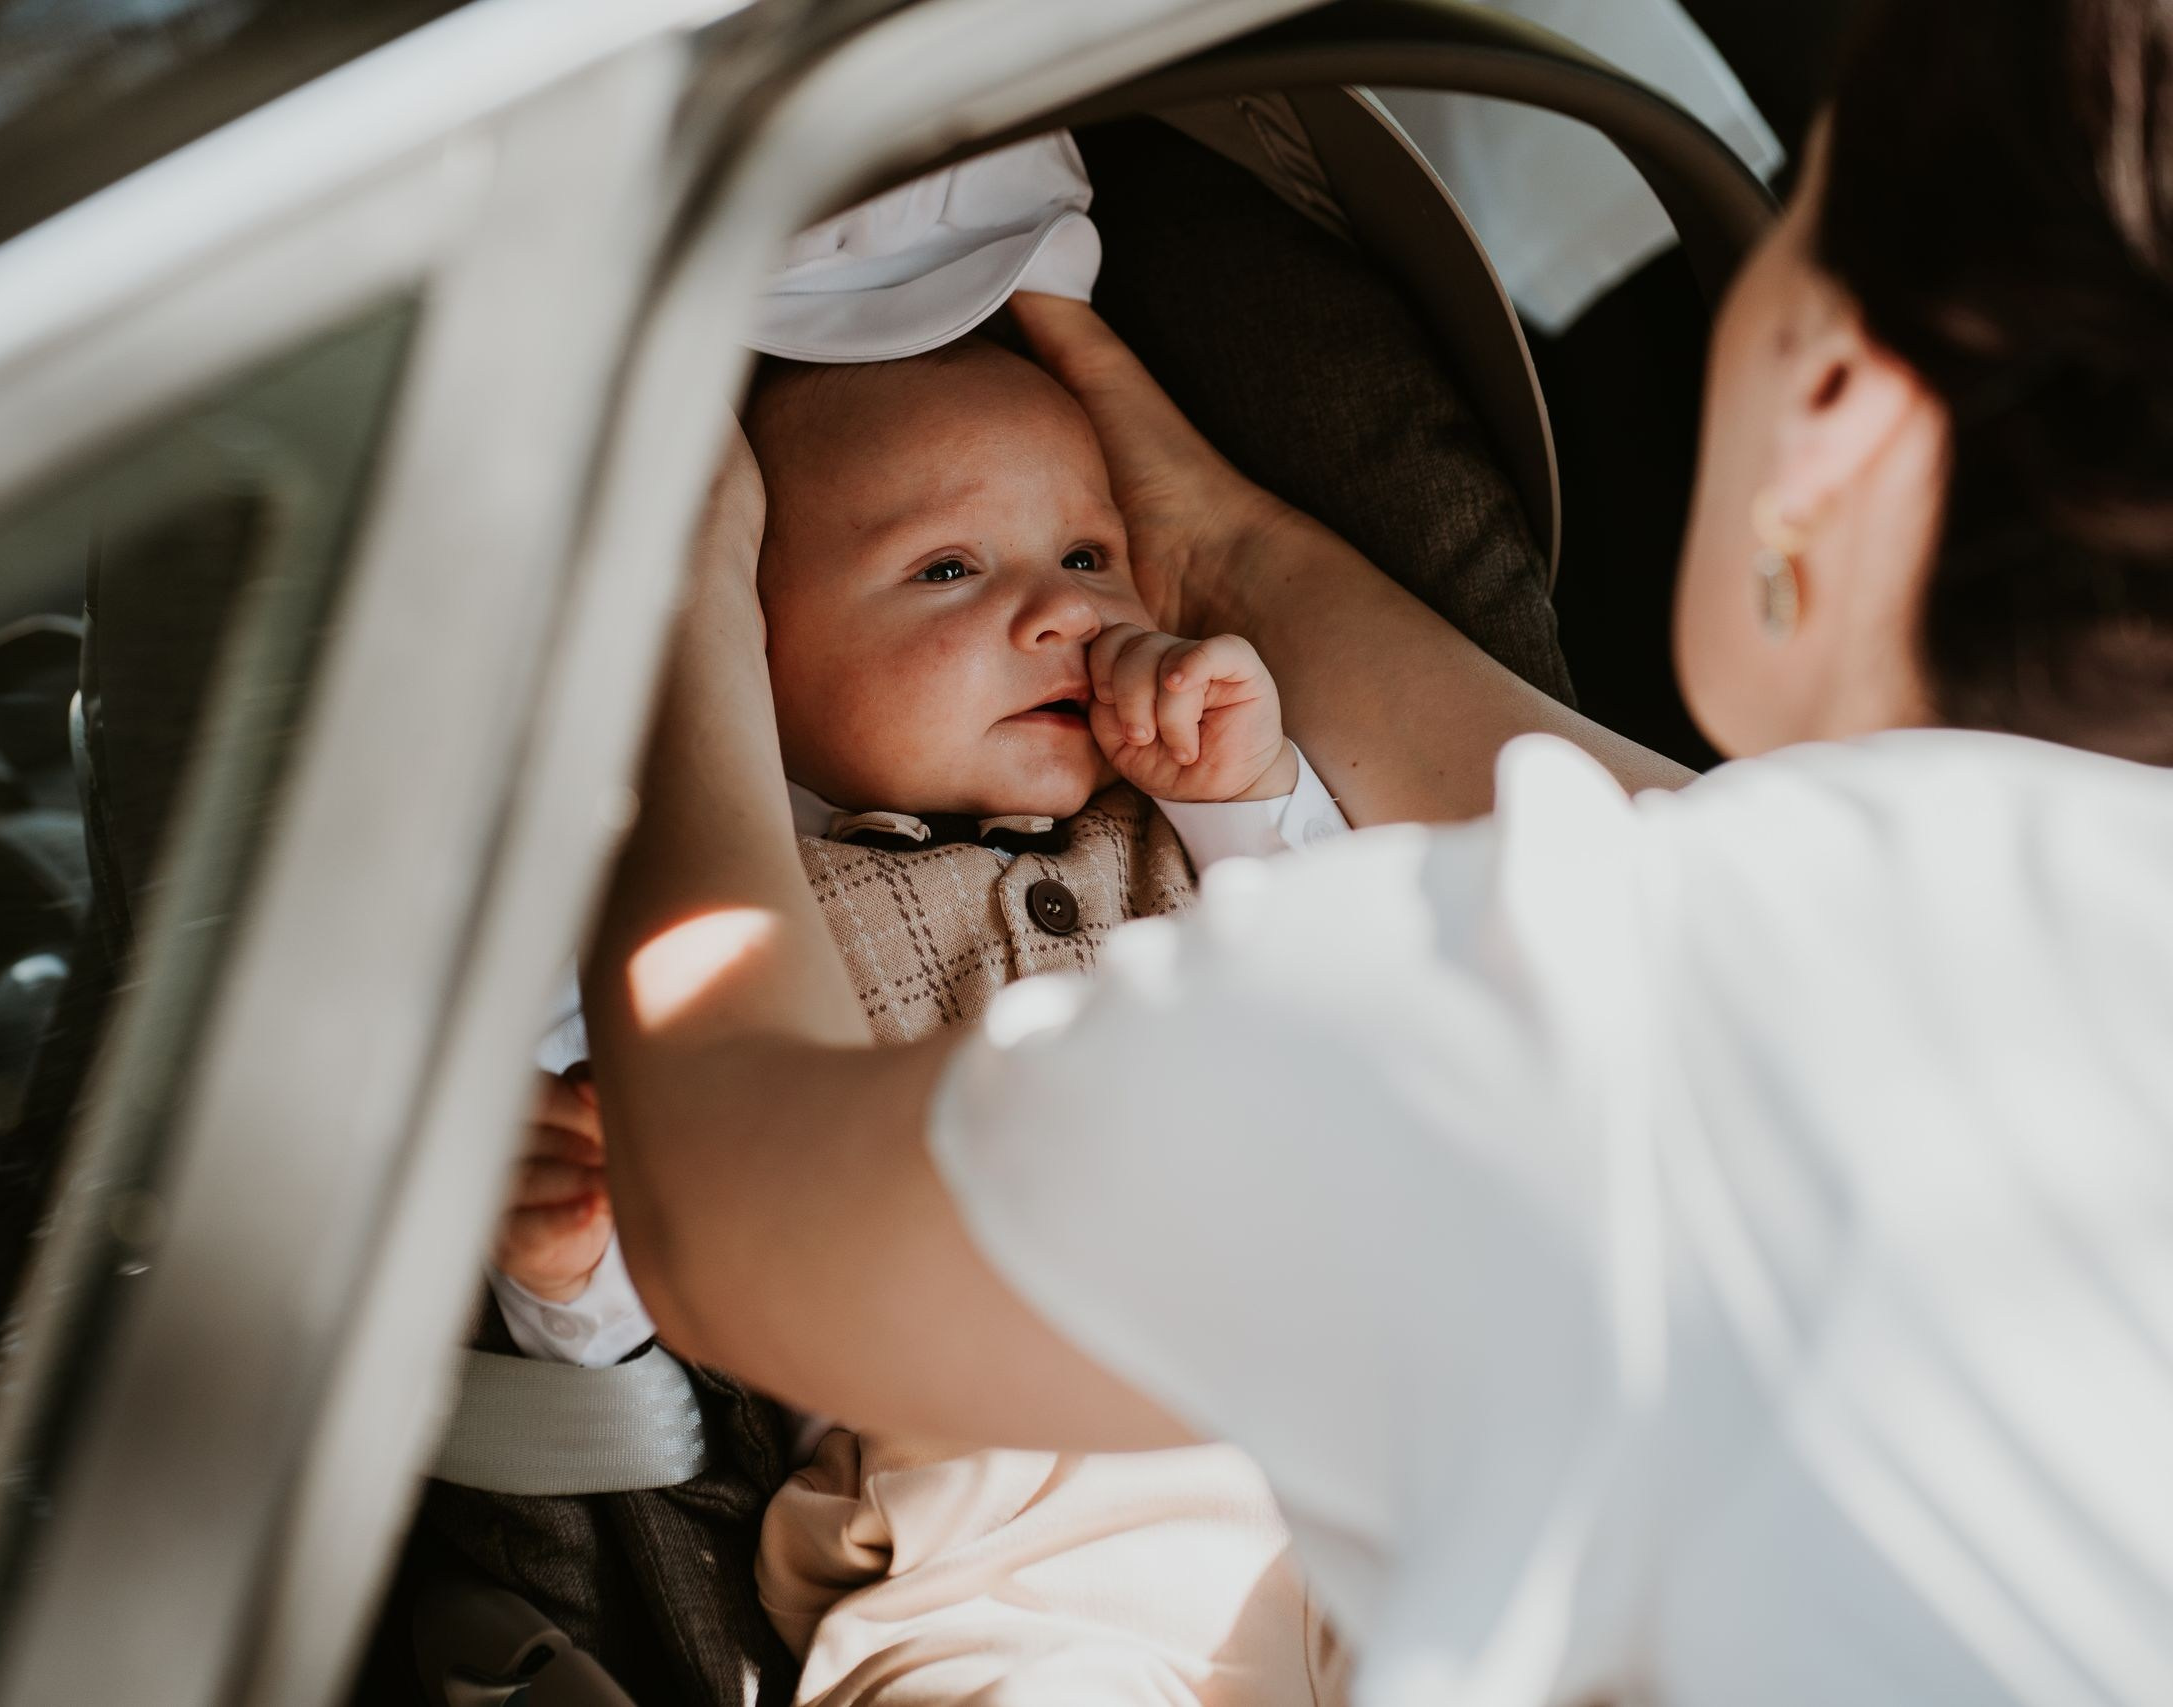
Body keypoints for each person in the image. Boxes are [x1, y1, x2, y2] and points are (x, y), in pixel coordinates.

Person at [578, 1, 2173, 1703]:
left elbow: (732, 1218)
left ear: (1835, 396)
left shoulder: (1520, 1035)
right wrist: (1235, 548)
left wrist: (667, 616)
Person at [488, 336, 1350, 1705]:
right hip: (1002, 1548)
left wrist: (1246, 795)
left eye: (1087, 557)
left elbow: (1368, 1004)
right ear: (745, 652)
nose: (1062, 615)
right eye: (950, 569)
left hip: (1364, 1452)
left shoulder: (1180, 827)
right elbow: (674, 1243)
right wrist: (564, 1276)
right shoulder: (697, 904)